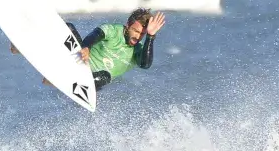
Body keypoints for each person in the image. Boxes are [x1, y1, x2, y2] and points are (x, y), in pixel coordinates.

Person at [11, 8, 166, 91]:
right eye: (136, 31)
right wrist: (86, 47)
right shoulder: (115, 30)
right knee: (69, 28)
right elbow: (96, 34)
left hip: (89, 83)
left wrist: (151, 37)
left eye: (142, 35)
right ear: (128, 25)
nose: (138, 37)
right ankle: (24, 44)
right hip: (77, 60)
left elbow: (145, 64)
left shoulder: (138, 50)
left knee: (105, 76)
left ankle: (61, 80)